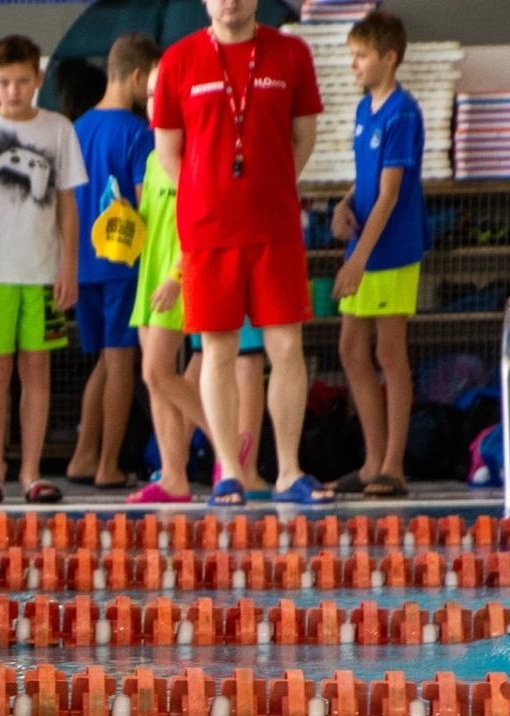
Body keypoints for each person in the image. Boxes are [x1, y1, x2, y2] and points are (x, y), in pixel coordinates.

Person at [153, 0, 332, 508]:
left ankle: (290, 469)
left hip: (274, 229)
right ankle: (229, 471)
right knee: (218, 351)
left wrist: (270, 188)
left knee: (286, 348)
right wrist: (203, 197)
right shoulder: (179, 60)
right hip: (208, 233)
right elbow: (169, 149)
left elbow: (304, 137)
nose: (230, 1)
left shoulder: (291, 53)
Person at [0, 35, 85, 506]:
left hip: (43, 270)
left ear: (39, 79)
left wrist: (70, 264)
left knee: (37, 370)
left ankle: (31, 471)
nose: (13, 90)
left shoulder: (59, 129)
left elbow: (68, 202)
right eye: (4, 82)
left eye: (23, 80)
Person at [127, 64, 268, 504]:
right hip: (149, 278)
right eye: (149, 95)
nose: (154, 104)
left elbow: (206, 224)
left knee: (156, 370)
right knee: (155, 380)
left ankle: (225, 442)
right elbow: (153, 225)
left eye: (162, 95)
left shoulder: (195, 156)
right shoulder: (151, 158)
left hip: (181, 277)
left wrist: (176, 277)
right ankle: (174, 477)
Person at [329, 11, 425, 500]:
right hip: (363, 243)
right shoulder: (366, 109)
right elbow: (367, 177)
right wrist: (344, 205)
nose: (354, 66)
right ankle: (371, 459)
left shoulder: (402, 114)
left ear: (389, 58)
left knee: (389, 353)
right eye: (352, 57)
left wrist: (358, 259)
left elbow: (389, 193)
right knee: (350, 349)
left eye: (362, 56)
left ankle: (393, 464)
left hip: (391, 250)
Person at [67, 33, 159, 491]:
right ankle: (107, 464)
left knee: (104, 361)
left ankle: (84, 456)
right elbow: (146, 204)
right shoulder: (139, 133)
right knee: (121, 361)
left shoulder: (77, 128)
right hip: (123, 263)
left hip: (81, 263)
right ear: (138, 76)